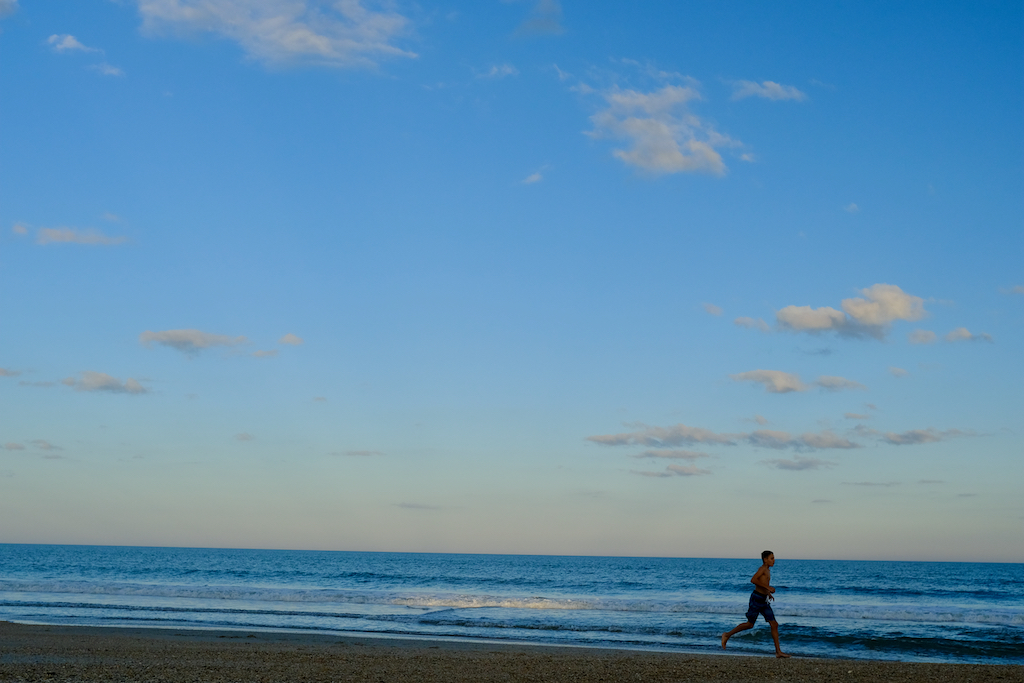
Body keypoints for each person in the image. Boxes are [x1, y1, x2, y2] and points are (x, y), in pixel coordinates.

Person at [721, 550, 790, 658]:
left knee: (774, 624)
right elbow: (753, 580)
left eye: (774, 558)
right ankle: (727, 635)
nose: (774, 560)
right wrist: (768, 588)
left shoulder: (767, 570)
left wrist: (768, 593)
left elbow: (763, 583)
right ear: (765, 559)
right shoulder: (762, 569)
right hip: (756, 599)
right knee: (749, 624)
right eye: (771, 558)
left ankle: (778, 652)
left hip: (764, 600)